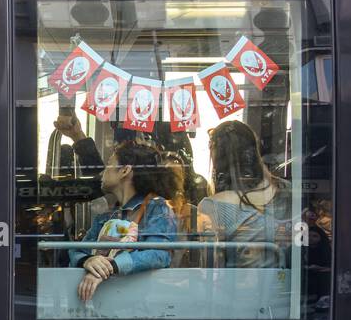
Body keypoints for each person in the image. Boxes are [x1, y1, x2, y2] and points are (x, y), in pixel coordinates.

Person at [69, 139, 177, 303]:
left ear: (125, 171)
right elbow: (77, 250)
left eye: (109, 165)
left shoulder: (157, 208)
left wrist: (111, 266)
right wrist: (89, 261)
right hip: (102, 300)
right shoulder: (108, 214)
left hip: (138, 303)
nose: (103, 173)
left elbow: (159, 254)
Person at [197, 121, 291, 268]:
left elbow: (210, 265)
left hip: (238, 286)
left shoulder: (213, 205)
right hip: (281, 284)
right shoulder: (285, 190)